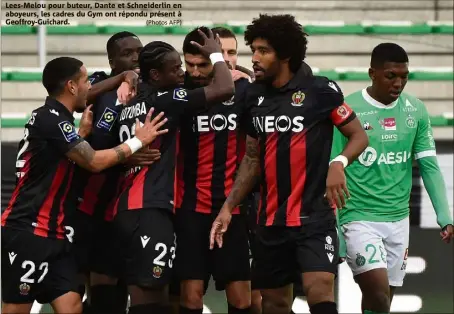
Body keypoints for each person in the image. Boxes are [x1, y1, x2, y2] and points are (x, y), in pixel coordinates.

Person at [209, 14, 369, 314]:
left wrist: (338, 163)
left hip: (315, 218)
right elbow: (253, 158)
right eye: (253, 49)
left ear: (286, 54)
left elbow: (358, 136)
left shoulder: (322, 91)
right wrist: (229, 206)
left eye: (263, 51)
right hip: (269, 223)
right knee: (275, 303)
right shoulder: (253, 97)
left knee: (319, 288)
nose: (254, 58)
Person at [1, 56, 168, 314]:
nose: (90, 86)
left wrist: (80, 135)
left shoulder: (56, 120)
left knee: (72, 305)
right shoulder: (50, 118)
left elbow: (56, 160)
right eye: (85, 80)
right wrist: (137, 141)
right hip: (28, 230)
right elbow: (92, 162)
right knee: (16, 308)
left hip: (56, 234)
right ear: (71, 86)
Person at [113, 29, 235, 314]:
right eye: (176, 68)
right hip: (150, 207)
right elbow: (225, 89)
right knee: (152, 302)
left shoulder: (128, 103)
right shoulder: (166, 98)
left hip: (125, 208)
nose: (182, 73)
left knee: (143, 297)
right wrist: (216, 54)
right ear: (156, 75)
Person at [331, 43, 454, 314]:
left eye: (404, 76)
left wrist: (444, 214)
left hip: (399, 219)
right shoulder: (348, 110)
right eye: (391, 76)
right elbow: (332, 171)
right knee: (377, 293)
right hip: (358, 216)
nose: (398, 83)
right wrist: (336, 226)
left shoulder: (416, 110)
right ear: (372, 73)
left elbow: (429, 165)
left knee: (382, 300)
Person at [67, 32, 159, 314]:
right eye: (127, 53)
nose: (135, 58)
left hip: (128, 206)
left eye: (139, 52)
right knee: (87, 289)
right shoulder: (96, 83)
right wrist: (123, 77)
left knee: (122, 291)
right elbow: (79, 100)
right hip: (88, 203)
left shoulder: (150, 88)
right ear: (111, 59)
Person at [171, 26, 251, 314]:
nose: (194, 71)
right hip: (190, 208)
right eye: (189, 64)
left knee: (242, 299)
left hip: (232, 208)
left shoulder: (244, 91)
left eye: (202, 64)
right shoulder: (180, 94)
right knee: (191, 296)